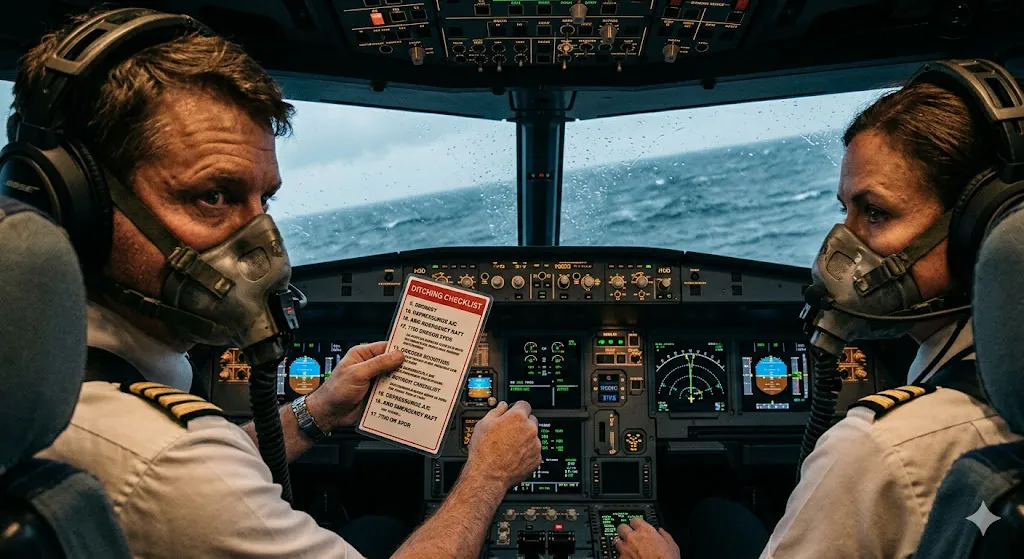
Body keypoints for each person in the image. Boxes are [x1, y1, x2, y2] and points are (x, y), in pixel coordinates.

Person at [12, 8, 543, 558]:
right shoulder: (165, 462)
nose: (268, 251)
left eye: (263, 200)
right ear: (74, 203)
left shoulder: (58, 376)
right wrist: (488, 474)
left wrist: (320, 409)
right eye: (213, 196)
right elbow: (191, 480)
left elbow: (215, 467)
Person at [615, 72, 1024, 558]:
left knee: (710, 515)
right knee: (720, 517)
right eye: (845, 210)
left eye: (875, 213)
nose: (840, 247)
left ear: (980, 228)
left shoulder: (878, 448)